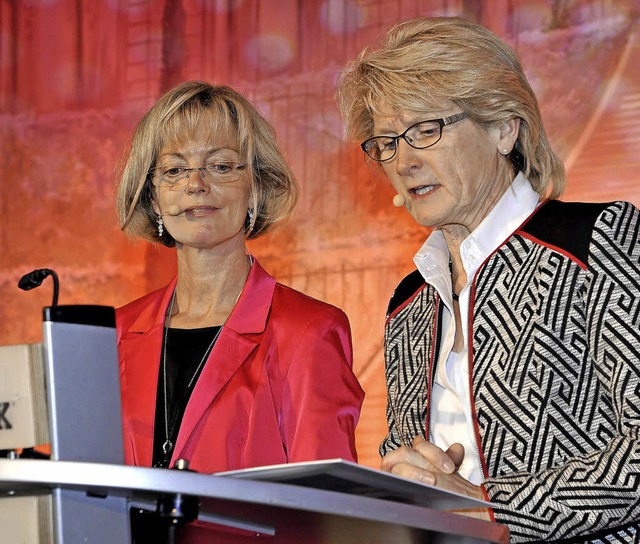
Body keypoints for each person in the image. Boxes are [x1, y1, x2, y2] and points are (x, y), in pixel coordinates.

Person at [337, 16, 640, 543]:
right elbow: (410, 465)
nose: (404, 161)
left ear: (503, 127)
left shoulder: (597, 240)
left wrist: (492, 508)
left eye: (426, 129)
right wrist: (405, 477)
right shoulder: (407, 303)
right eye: (385, 141)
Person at [115, 80, 364, 476]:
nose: (195, 185)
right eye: (175, 170)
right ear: (153, 198)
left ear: (257, 190)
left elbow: (325, 510)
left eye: (221, 166)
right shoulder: (114, 333)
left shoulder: (308, 332)